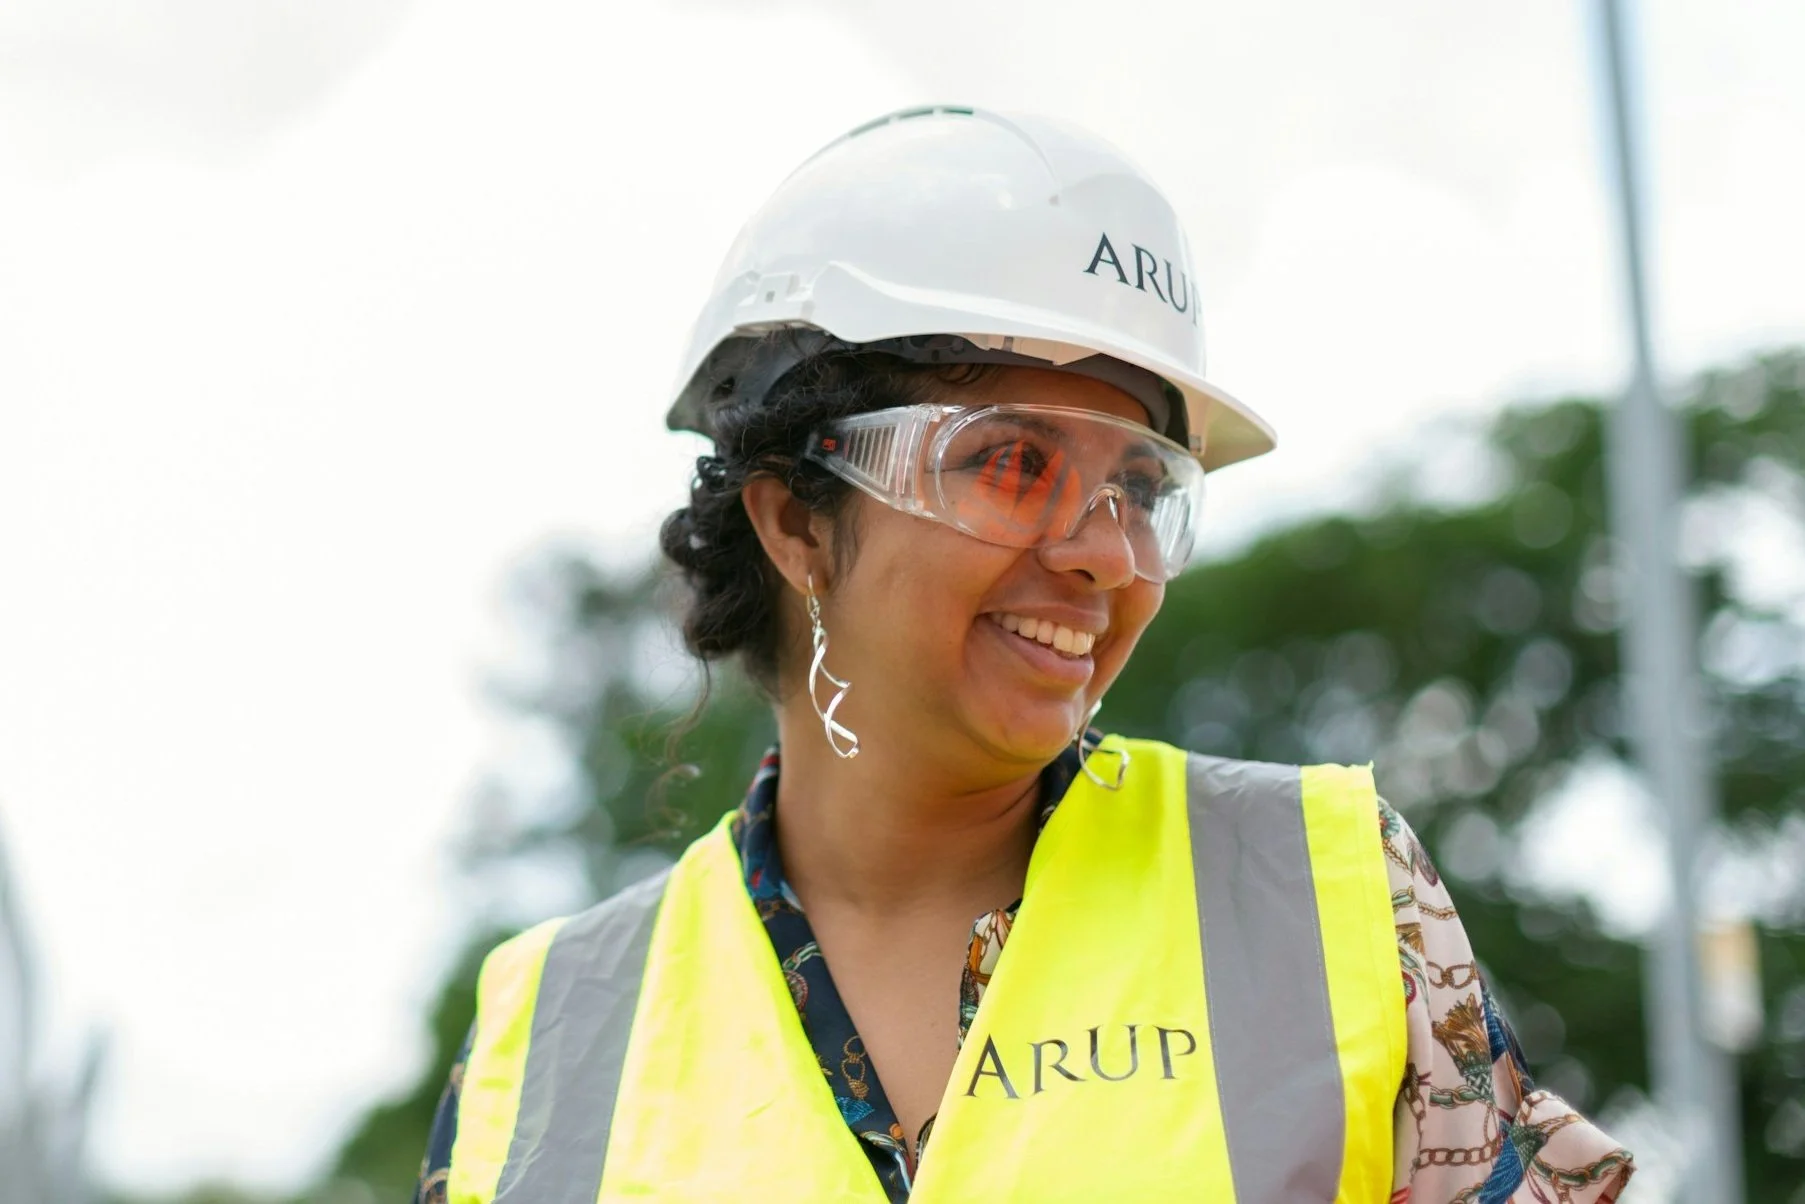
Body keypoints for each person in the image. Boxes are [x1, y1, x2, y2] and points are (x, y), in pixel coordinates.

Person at [416, 106, 1634, 1202]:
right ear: (793, 518)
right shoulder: (547, 1045)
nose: (1107, 554)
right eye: (1010, 462)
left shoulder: (1325, 899)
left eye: (1143, 487)